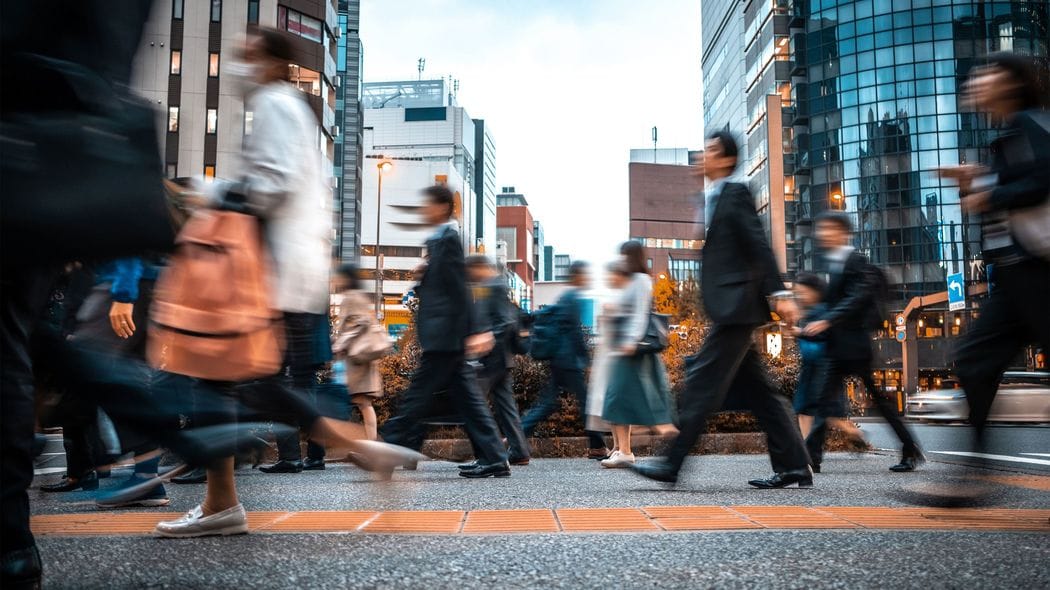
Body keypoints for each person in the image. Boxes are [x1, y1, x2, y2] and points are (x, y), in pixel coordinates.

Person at [153, 29, 419, 537]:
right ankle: (226, 501)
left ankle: (229, 502)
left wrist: (208, 195)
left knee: (221, 379)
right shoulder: (291, 109)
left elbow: (271, 184)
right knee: (241, 383)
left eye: (247, 55)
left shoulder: (276, 104)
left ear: (272, 62)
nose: (238, 65)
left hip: (264, 273)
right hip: (286, 271)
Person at [631, 130, 811, 488]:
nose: (704, 155)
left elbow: (757, 244)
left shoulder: (735, 193)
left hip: (738, 307)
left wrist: (778, 291)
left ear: (727, 159)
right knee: (761, 395)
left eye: (712, 150)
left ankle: (671, 464)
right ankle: (794, 466)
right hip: (731, 307)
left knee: (701, 385)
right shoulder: (710, 198)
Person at [932, 52, 1050, 504]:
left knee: (975, 360)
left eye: (987, 74)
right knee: (975, 360)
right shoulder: (1007, 135)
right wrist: (979, 181)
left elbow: (1042, 181)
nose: (976, 82)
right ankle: (974, 477)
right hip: (1014, 278)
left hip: (1039, 272)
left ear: (1012, 81)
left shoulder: (1030, 124)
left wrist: (988, 191)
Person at [379, 185, 511, 479]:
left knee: (416, 396)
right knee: (468, 401)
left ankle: (385, 451)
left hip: (446, 336)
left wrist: (476, 330)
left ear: (440, 207)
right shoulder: (440, 241)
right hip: (446, 336)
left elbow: (458, 289)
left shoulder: (448, 239)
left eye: (426, 205)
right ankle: (494, 458)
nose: (423, 211)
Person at [802, 211, 922, 473]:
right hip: (839, 347)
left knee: (878, 402)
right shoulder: (835, 263)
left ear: (843, 232)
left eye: (829, 229)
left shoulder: (856, 261)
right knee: (823, 402)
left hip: (855, 346)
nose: (823, 234)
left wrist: (828, 320)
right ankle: (812, 457)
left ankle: (910, 449)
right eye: (822, 229)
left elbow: (857, 298)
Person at [520, 261, 609, 459]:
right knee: (585, 403)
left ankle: (517, 435)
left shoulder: (566, 297)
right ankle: (597, 447)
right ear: (577, 276)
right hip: (568, 361)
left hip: (559, 359)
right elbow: (575, 334)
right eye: (586, 275)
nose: (588, 279)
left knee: (548, 403)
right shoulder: (572, 298)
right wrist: (586, 359)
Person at [600, 244, 677, 469]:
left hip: (632, 348)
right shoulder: (632, 280)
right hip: (624, 347)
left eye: (624, 255)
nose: (621, 259)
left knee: (620, 397)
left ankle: (628, 449)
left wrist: (631, 341)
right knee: (618, 398)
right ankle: (623, 449)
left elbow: (640, 314)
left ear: (631, 256)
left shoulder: (641, 281)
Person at [790, 272, 865, 472]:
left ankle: (850, 433)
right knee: (804, 410)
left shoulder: (824, 310)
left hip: (823, 367)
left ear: (815, 292)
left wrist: (801, 332)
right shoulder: (806, 314)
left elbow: (825, 335)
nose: (800, 297)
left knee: (823, 411)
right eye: (797, 293)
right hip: (809, 368)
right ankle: (807, 454)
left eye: (803, 293)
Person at [463, 255, 530, 466]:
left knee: (474, 405)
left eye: (471, 270)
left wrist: (488, 338)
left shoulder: (495, 286)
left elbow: (506, 321)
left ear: (480, 267)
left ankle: (487, 455)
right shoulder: (489, 285)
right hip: (499, 358)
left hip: (493, 357)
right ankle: (519, 451)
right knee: (505, 406)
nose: (469, 275)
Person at [332, 262, 383, 441]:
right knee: (363, 403)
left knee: (363, 403)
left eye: (338, 276)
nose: (335, 279)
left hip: (357, 359)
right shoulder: (358, 296)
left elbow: (359, 323)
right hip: (361, 357)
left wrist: (340, 343)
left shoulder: (351, 298)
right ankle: (372, 444)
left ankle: (372, 445)